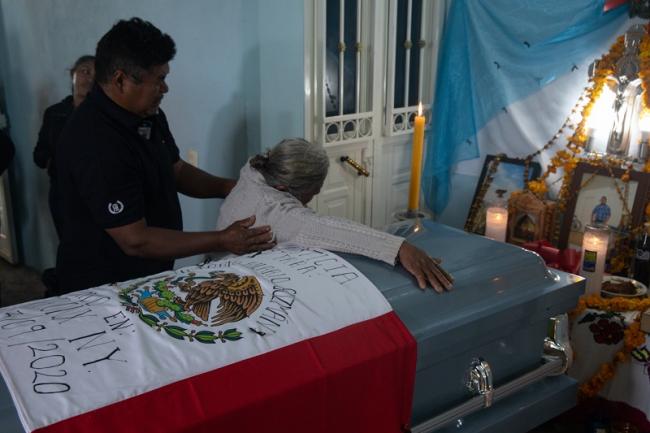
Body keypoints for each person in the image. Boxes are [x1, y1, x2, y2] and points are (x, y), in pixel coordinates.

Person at [54, 18, 274, 294]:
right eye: (159, 79)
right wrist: (222, 239)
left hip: (150, 276)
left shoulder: (146, 115)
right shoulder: (95, 141)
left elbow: (176, 170)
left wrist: (231, 187)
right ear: (121, 80)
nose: (165, 88)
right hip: (102, 287)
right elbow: (136, 240)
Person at [217, 138, 454, 292]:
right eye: (312, 193)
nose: (312, 199)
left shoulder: (255, 168)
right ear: (284, 188)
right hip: (230, 286)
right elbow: (325, 227)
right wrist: (401, 248)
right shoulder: (277, 212)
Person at [33, 55, 95, 237]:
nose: (90, 78)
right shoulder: (55, 113)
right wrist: (52, 159)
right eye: (85, 71)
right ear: (73, 74)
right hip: (62, 192)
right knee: (69, 243)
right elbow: (39, 155)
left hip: (94, 190)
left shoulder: (102, 114)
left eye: (96, 74)